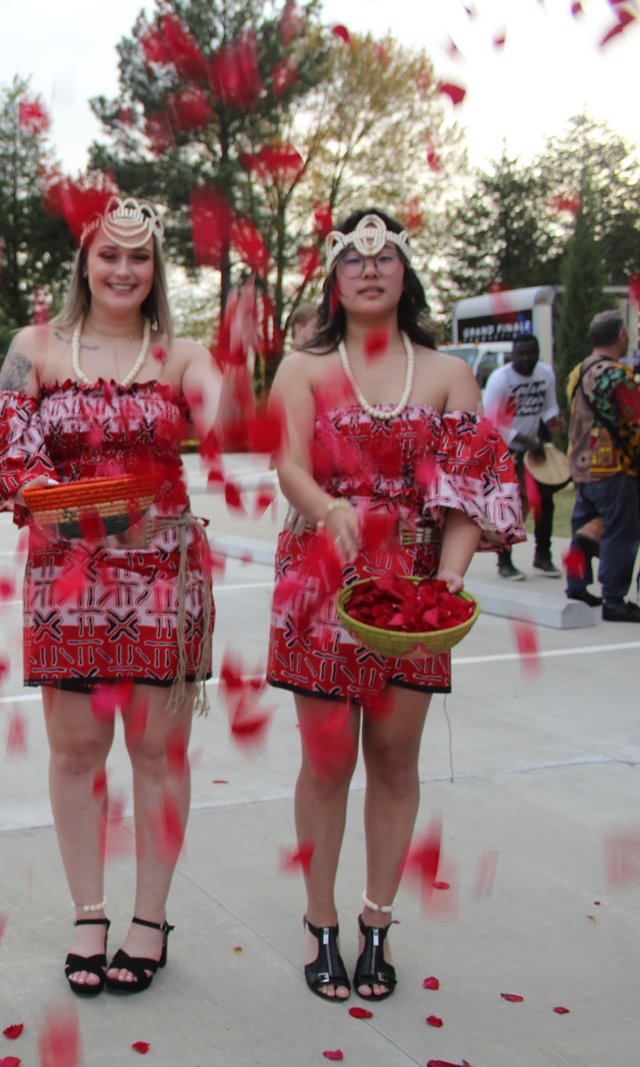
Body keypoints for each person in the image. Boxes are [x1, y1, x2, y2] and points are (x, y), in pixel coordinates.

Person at [266, 209, 522, 1004]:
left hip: (413, 589)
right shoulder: (303, 368)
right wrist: (329, 509)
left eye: (384, 260)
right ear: (334, 280)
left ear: (404, 275)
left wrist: (448, 581)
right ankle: (321, 921)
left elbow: (468, 491)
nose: (369, 271)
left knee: (395, 758)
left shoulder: (447, 373)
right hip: (321, 578)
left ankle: (376, 920)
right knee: (327, 761)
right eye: (353, 260)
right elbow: (289, 465)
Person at [0, 195, 223, 998]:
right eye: (109, 254)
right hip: (69, 572)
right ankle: (89, 912)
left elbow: (225, 425)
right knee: (78, 751)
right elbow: (8, 447)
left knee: (157, 752)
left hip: (162, 571)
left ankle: (150, 917)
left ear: (158, 269)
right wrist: (62, 501)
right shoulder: (36, 348)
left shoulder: (182, 354)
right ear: (84, 262)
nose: (124, 270)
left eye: (140, 256)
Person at [563, 309, 640, 621]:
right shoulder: (618, 375)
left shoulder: (577, 372)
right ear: (621, 336)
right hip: (614, 468)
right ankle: (614, 599)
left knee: (582, 530)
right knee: (621, 532)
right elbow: (634, 424)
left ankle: (576, 585)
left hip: (581, 466)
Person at [482, 334, 564, 580]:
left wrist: (553, 420)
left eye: (531, 353)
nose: (527, 358)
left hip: (533, 450)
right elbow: (491, 421)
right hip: (505, 450)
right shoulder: (500, 380)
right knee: (509, 506)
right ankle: (504, 561)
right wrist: (525, 439)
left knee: (545, 503)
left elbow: (548, 406)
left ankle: (543, 556)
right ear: (513, 354)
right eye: (521, 354)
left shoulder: (545, 374)